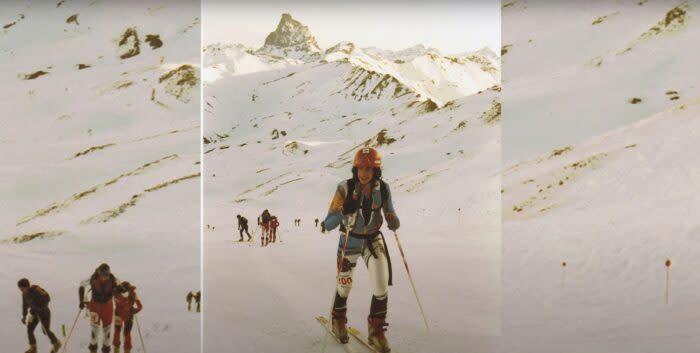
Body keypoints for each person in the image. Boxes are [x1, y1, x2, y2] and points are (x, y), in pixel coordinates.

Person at [321, 147, 399, 353]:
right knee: (344, 285)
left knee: (381, 286)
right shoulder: (344, 188)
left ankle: (376, 331)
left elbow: (390, 212)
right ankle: (338, 320)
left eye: (369, 168)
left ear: (376, 170)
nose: (365, 172)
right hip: (350, 240)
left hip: (373, 240)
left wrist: (393, 220)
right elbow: (328, 223)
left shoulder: (383, 188)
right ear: (355, 169)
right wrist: (343, 211)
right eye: (361, 168)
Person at [79, 263, 119, 353]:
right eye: (103, 275)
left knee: (107, 333)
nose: (105, 277)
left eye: (106, 275)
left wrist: (126, 292)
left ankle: (106, 349)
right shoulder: (93, 278)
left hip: (108, 307)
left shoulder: (113, 279)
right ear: (99, 273)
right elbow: (82, 285)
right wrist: (81, 301)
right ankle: (93, 349)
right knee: (94, 332)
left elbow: (121, 289)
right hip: (95, 307)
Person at [18, 279, 62, 353]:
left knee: (45, 330)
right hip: (34, 313)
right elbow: (24, 306)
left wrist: (40, 307)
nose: (21, 291)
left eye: (22, 289)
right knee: (30, 329)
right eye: (20, 289)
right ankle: (33, 347)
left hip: (44, 312)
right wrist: (24, 316)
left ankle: (56, 343)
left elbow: (47, 298)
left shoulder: (36, 289)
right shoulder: (24, 295)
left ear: (27, 286)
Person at [113, 281, 143, 353]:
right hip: (118, 315)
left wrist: (134, 311)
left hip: (128, 317)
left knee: (127, 333)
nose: (124, 294)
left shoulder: (133, 294)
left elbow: (140, 306)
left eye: (126, 292)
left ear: (129, 290)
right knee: (117, 332)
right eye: (123, 292)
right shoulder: (116, 293)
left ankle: (127, 350)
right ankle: (116, 349)